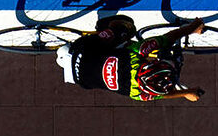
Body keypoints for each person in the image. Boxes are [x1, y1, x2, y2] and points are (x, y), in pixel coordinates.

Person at [57, 14, 206, 102]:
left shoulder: (134, 56)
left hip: (82, 50)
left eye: (156, 62)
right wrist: (185, 93)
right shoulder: (135, 92)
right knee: (116, 50)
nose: (156, 60)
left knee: (126, 28)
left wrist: (192, 28)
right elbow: (162, 93)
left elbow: (166, 38)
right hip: (81, 79)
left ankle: (105, 27)